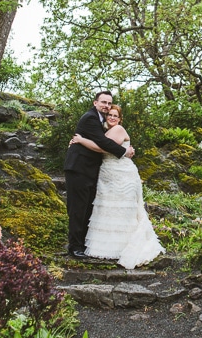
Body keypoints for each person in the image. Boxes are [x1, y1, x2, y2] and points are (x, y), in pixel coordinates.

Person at [70, 104, 164, 269]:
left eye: (115, 115)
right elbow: (103, 143)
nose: (112, 118)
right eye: (110, 115)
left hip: (121, 174)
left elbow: (102, 148)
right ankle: (104, 246)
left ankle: (122, 247)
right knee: (107, 209)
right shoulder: (104, 130)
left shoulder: (118, 129)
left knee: (121, 209)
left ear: (120, 119)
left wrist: (80, 140)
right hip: (108, 174)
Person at [64, 90, 134, 259]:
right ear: (95, 103)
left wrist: (81, 140)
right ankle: (74, 247)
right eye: (103, 102)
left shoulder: (101, 122)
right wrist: (124, 151)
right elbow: (102, 143)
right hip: (79, 168)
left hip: (90, 170)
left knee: (87, 207)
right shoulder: (90, 118)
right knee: (78, 208)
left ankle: (81, 244)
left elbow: (99, 141)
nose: (106, 106)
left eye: (109, 103)